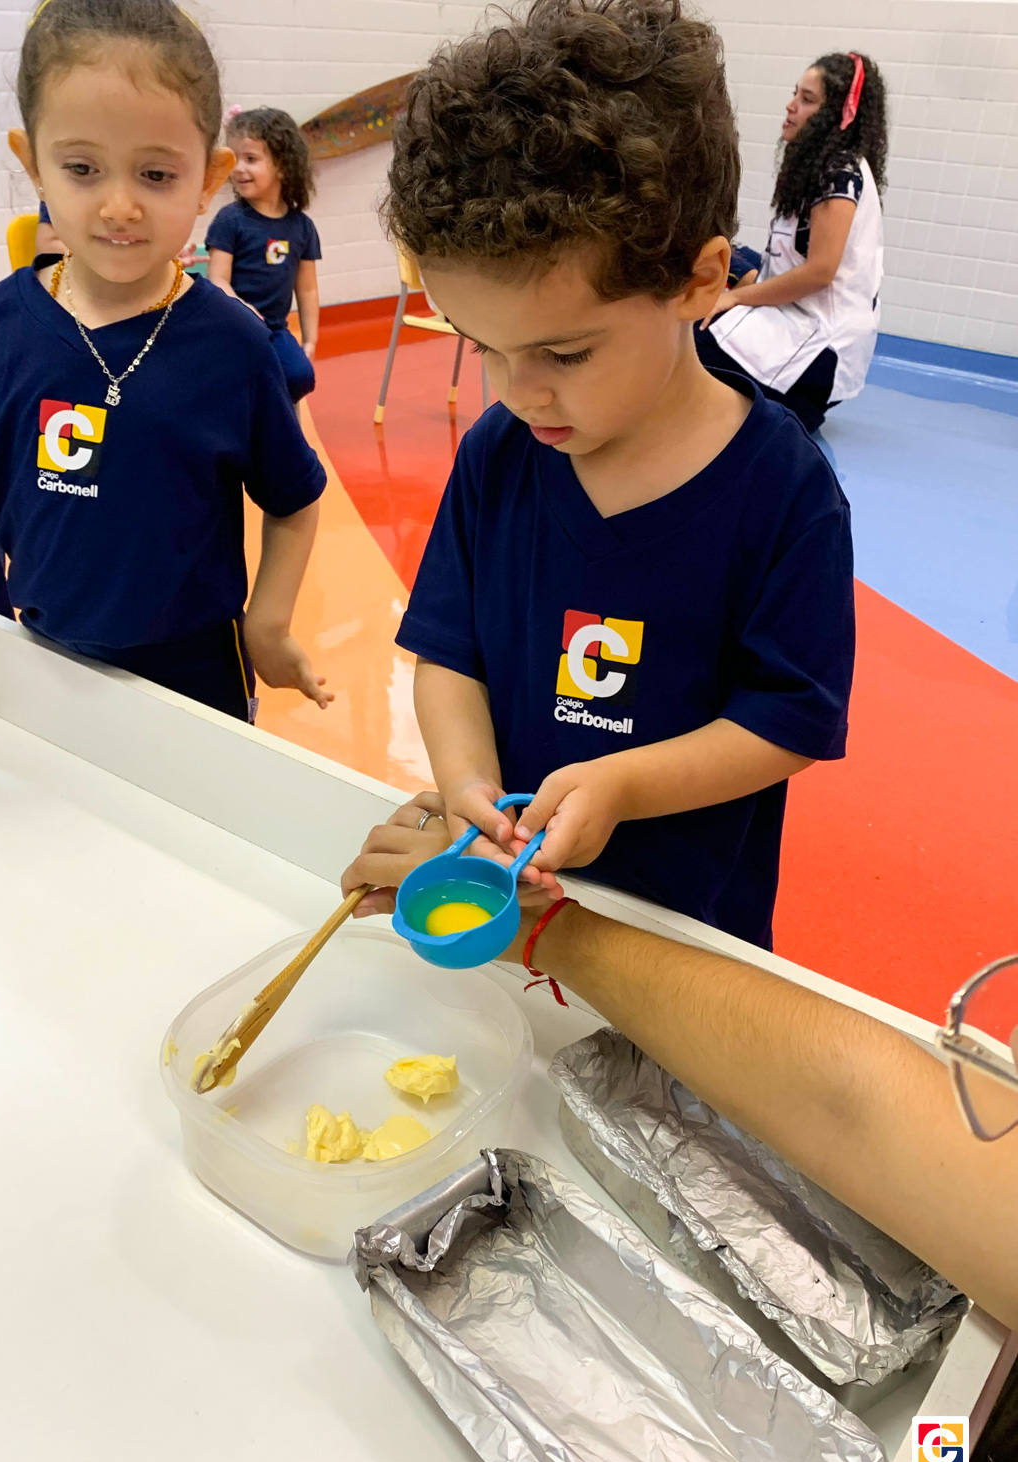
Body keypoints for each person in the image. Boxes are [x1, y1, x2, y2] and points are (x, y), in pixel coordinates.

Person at [343, 799, 1018, 1462]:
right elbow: (853, 1106)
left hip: (969, 1395)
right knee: (942, 1447)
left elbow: (855, 1107)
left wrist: (550, 930)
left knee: (943, 1446)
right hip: (969, 1390)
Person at [388, 0, 856, 950]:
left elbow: (787, 722)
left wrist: (623, 784)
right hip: (512, 904)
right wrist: (467, 783)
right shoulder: (498, 455)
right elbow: (448, 653)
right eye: (483, 346)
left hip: (679, 936)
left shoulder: (782, 491)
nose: (518, 393)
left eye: (564, 353)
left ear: (699, 281)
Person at [0, 0, 332, 721]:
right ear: (33, 164)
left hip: (195, 676)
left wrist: (269, 625)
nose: (119, 206)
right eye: (82, 168)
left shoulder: (233, 344)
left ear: (209, 177)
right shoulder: (3, 322)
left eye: (156, 175)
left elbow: (294, 501)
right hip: (44, 656)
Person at [698, 52, 887, 434]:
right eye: (795, 93)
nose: (791, 105)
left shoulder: (839, 171)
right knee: (725, 254)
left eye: (807, 99)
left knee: (692, 340)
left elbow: (819, 273)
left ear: (836, 115)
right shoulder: (826, 164)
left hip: (820, 351)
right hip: (801, 317)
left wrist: (735, 298)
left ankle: (791, 405)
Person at [206, 107, 321, 404]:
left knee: (299, 376)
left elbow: (307, 289)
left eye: (251, 159)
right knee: (237, 380)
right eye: (234, 159)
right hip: (233, 327)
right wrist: (241, 307)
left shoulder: (302, 227)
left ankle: (268, 414)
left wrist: (310, 339)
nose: (238, 169)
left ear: (281, 166)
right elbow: (217, 280)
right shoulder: (230, 220)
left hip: (274, 329)